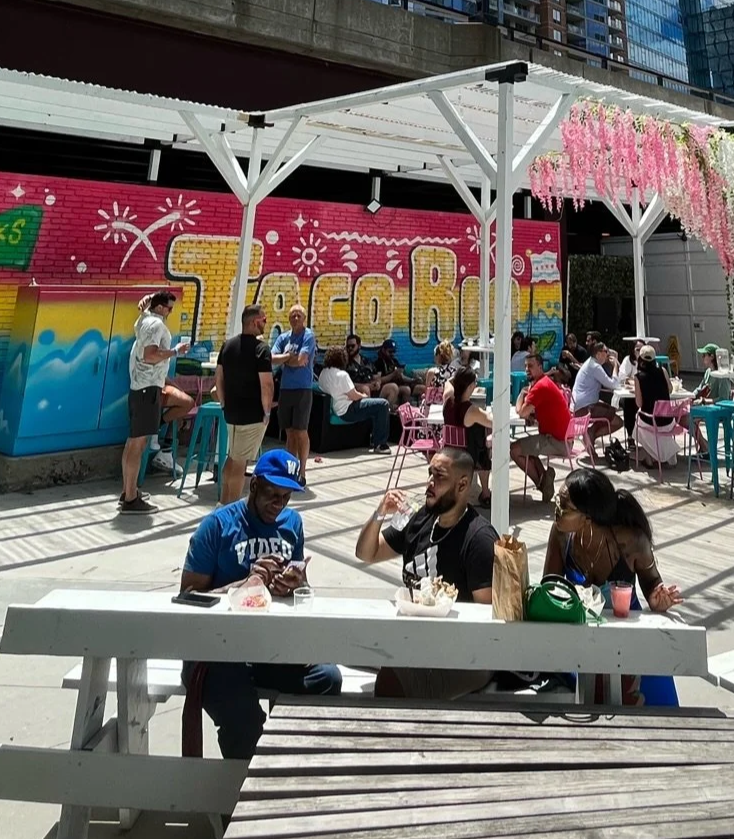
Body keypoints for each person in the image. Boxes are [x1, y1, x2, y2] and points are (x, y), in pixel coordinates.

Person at [181, 449, 340, 758]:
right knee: (246, 724)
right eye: (272, 495)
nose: (278, 505)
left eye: (286, 497)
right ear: (253, 486)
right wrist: (244, 584)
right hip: (217, 653)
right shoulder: (217, 526)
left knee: (327, 679)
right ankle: (239, 797)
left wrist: (296, 584)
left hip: (270, 648)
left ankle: (291, 767)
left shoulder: (291, 524)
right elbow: (187, 597)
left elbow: (300, 587)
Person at [356, 448, 500, 698]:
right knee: (350, 647)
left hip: (462, 656)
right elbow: (366, 553)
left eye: (440, 477)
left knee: (389, 682)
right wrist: (380, 511)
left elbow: (487, 621)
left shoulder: (479, 540)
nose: (430, 484)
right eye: (429, 474)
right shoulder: (421, 517)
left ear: (463, 484)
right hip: (415, 638)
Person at [543, 468, 683, 706]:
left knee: (654, 716)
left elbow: (651, 581)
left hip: (632, 642)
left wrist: (658, 598)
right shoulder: (561, 534)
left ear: (588, 517)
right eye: (558, 500)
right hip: (583, 644)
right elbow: (550, 585)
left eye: (564, 506)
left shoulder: (631, 541)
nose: (555, 508)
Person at [122, 290, 193, 513]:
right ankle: (131, 499)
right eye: (170, 308)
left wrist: (147, 299)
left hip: (140, 387)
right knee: (138, 444)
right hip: (147, 388)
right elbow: (150, 355)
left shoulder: (144, 319)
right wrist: (174, 351)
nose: (171, 312)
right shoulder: (156, 326)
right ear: (161, 308)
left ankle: (128, 490)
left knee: (133, 442)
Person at [216, 304, 273, 505]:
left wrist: (223, 403)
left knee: (233, 457)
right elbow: (266, 384)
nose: (266, 323)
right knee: (240, 462)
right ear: (253, 322)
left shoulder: (228, 345)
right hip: (252, 414)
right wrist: (267, 412)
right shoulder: (261, 349)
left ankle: (223, 503)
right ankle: (230, 507)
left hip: (231, 412)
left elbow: (219, 378)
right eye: (264, 320)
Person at [511, 353, 570, 501]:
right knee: (526, 448)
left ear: (540, 366)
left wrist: (521, 394)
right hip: (562, 438)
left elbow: (522, 412)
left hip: (557, 442)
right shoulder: (545, 382)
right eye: (525, 366)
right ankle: (544, 478)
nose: (527, 369)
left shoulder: (540, 387)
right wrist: (535, 417)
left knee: (514, 450)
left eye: (530, 366)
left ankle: (542, 484)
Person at [271, 305, 318, 486]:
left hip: (302, 389)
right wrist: (287, 357)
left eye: (299, 315)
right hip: (286, 389)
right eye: (292, 316)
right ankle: (290, 469)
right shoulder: (283, 337)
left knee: (300, 431)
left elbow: (300, 361)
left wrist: (285, 358)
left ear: (304, 318)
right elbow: (272, 358)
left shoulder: (308, 336)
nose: (296, 318)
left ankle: (303, 470)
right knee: (289, 431)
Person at [317, 347, 392, 454]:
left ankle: (373, 438)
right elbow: (354, 396)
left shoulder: (323, 373)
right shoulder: (342, 375)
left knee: (373, 406)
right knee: (383, 404)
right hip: (348, 409)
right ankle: (380, 444)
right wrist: (364, 396)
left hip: (336, 407)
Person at [443, 367, 493, 506]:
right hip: (466, 456)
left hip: (448, 451)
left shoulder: (447, 400)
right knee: (484, 450)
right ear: (471, 386)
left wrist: (456, 378)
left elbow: (448, 383)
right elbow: (492, 422)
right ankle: (485, 493)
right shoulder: (471, 410)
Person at [631, 345, 682, 468]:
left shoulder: (638, 377)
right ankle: (658, 455)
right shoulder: (663, 371)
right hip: (668, 420)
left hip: (652, 421)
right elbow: (670, 390)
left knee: (637, 421)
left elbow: (639, 404)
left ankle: (650, 457)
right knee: (647, 422)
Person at [572, 342, 620, 440]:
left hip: (581, 404)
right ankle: (591, 435)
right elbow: (613, 384)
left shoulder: (591, 363)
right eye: (605, 352)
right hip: (585, 407)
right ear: (598, 354)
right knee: (617, 421)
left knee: (610, 410)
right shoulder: (595, 367)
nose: (607, 354)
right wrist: (615, 365)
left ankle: (591, 433)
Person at [373, 338, 425, 407]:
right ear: (383, 350)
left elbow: (402, 376)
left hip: (398, 384)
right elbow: (378, 380)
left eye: (394, 352)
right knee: (398, 388)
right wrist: (393, 374)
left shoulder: (394, 361)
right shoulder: (379, 363)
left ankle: (405, 412)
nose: (392, 354)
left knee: (413, 389)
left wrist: (413, 380)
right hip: (386, 387)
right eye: (390, 352)